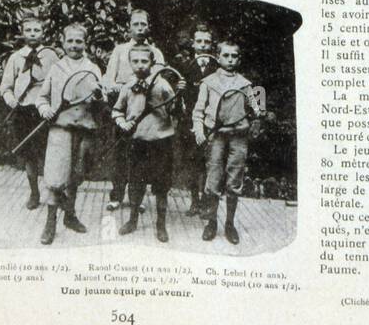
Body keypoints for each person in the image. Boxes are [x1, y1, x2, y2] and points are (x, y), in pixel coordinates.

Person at [35, 23, 103, 245]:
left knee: (77, 176)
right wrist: (45, 109)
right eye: (70, 41)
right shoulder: (56, 69)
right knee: (56, 176)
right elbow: (42, 97)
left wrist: (101, 97)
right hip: (60, 129)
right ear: (62, 43)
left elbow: (102, 102)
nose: (74, 45)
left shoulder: (93, 68)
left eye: (79, 41)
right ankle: (51, 223)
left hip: (85, 130)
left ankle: (70, 216)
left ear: (86, 43)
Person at [192, 41, 263, 244]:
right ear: (218, 57)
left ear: (238, 59)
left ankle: (229, 224)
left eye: (234, 56)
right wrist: (199, 130)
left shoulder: (246, 84)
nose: (230, 60)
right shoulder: (208, 82)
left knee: (234, 181)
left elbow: (257, 111)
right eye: (226, 55)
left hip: (238, 137)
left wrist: (255, 120)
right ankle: (211, 222)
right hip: (216, 137)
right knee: (213, 180)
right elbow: (198, 111)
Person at [112, 47, 181, 243]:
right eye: (135, 61)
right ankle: (132, 220)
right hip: (138, 141)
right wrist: (123, 123)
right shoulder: (128, 86)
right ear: (130, 63)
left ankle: (161, 225)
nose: (140, 65)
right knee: (136, 182)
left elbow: (175, 110)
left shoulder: (163, 85)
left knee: (161, 185)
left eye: (144, 61)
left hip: (161, 142)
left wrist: (179, 96)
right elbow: (117, 110)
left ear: (152, 63)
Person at [102, 9, 165, 210]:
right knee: (120, 153)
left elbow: (158, 80)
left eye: (143, 24)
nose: (139, 28)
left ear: (149, 26)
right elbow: (108, 77)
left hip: (145, 109)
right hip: (122, 105)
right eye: (136, 24)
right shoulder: (120, 50)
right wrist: (113, 87)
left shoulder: (155, 52)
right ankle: (116, 196)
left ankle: (137, 198)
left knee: (142, 155)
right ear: (129, 26)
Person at [0, 17, 59, 211]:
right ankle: (34, 192)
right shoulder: (16, 58)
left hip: (46, 112)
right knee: (29, 156)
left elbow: (59, 82)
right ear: (22, 32)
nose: (33, 33)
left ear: (44, 32)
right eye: (29, 30)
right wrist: (11, 100)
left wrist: (54, 105)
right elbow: (6, 87)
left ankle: (54, 193)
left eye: (37, 30)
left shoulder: (51, 56)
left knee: (50, 154)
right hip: (24, 112)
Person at [172, 25, 217, 215]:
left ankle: (207, 201)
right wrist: (178, 87)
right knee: (192, 161)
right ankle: (194, 201)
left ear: (211, 44)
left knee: (209, 161)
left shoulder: (218, 67)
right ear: (193, 43)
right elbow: (176, 94)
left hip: (210, 121)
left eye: (207, 41)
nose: (203, 45)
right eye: (199, 41)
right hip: (190, 120)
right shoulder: (185, 66)